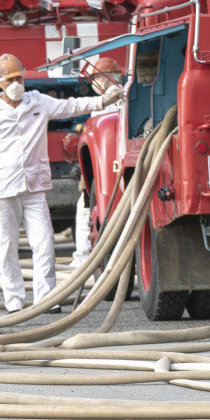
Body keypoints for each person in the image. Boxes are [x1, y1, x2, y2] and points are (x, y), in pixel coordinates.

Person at [0, 54, 122, 314]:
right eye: (10, 80)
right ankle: (14, 299)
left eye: (19, 77)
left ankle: (46, 297)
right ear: (0, 82)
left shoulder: (38, 102)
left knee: (44, 244)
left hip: (34, 187)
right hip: (3, 189)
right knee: (7, 246)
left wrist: (102, 100)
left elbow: (71, 106)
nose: (16, 83)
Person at [73, 57, 125, 270]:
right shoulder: (109, 99)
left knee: (87, 208)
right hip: (103, 166)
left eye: (96, 77)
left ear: (107, 78)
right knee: (85, 206)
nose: (93, 82)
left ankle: (83, 259)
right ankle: (83, 257)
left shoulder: (118, 99)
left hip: (110, 167)